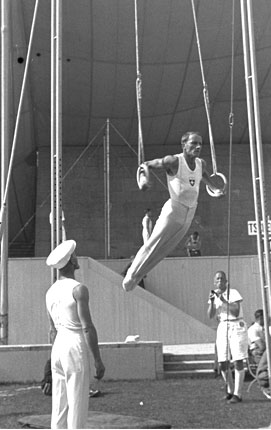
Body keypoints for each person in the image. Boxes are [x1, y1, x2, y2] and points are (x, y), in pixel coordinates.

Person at [122, 131, 226, 291]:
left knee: (164, 251)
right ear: (184, 145)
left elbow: (204, 176)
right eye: (193, 143)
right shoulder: (174, 161)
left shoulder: (201, 164)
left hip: (189, 213)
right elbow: (146, 165)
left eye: (200, 143)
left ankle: (138, 277)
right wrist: (144, 179)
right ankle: (131, 274)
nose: (198, 146)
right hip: (173, 210)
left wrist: (215, 188)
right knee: (153, 245)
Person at [46, 240, 105, 429]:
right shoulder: (78, 289)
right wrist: (97, 359)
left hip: (58, 346)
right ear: (71, 260)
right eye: (75, 255)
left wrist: (52, 359)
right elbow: (87, 327)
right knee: (77, 403)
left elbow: (52, 329)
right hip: (74, 344)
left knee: (60, 405)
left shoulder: (50, 291)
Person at [207, 270, 248, 404]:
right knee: (222, 361)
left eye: (221, 279)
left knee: (237, 359)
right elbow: (210, 315)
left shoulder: (233, 293)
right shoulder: (214, 296)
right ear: (214, 282)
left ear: (226, 281)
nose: (219, 281)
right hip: (223, 325)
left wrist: (222, 299)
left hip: (236, 325)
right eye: (217, 279)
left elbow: (235, 312)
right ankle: (230, 390)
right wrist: (213, 301)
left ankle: (238, 393)